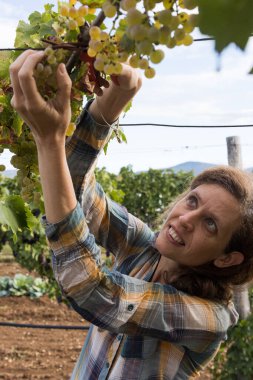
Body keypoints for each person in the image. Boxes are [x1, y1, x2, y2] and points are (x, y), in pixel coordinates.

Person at [10, 50, 253, 380]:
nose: (185, 219)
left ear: (227, 259)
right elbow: (79, 193)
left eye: (209, 224)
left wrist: (50, 140)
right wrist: (108, 106)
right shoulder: (144, 247)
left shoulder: (209, 319)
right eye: (193, 201)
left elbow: (95, 292)